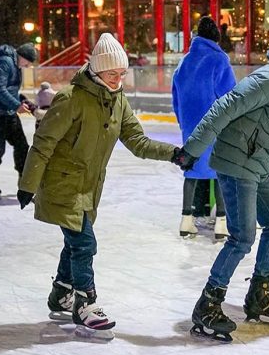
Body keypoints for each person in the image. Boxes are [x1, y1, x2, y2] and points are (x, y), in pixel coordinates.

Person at [17, 33, 180, 338]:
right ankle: (84, 305)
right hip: (62, 185)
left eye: (122, 73)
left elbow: (137, 141)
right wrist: (28, 185)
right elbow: (43, 143)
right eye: (112, 73)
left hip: (90, 188)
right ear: (95, 70)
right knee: (84, 243)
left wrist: (174, 153)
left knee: (75, 242)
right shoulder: (71, 99)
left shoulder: (117, 100)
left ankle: (60, 293)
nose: (118, 79)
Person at [171, 41, 269, 342]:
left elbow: (263, 126)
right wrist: (192, 149)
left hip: (254, 166)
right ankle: (208, 304)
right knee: (242, 237)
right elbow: (224, 107)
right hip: (237, 165)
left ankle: (260, 295)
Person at [172, 16, 237, 240]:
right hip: (215, 124)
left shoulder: (184, 62)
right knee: (218, 170)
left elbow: (176, 98)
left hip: (191, 126)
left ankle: (186, 220)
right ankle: (221, 222)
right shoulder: (219, 60)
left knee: (192, 170)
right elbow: (230, 96)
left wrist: (184, 122)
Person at [0, 42, 38, 199]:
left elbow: (11, 90)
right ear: (22, 57)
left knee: (21, 145)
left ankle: (24, 182)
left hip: (7, 112)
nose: (28, 66)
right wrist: (17, 105)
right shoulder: (4, 62)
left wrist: (23, 101)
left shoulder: (14, 65)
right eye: (28, 62)